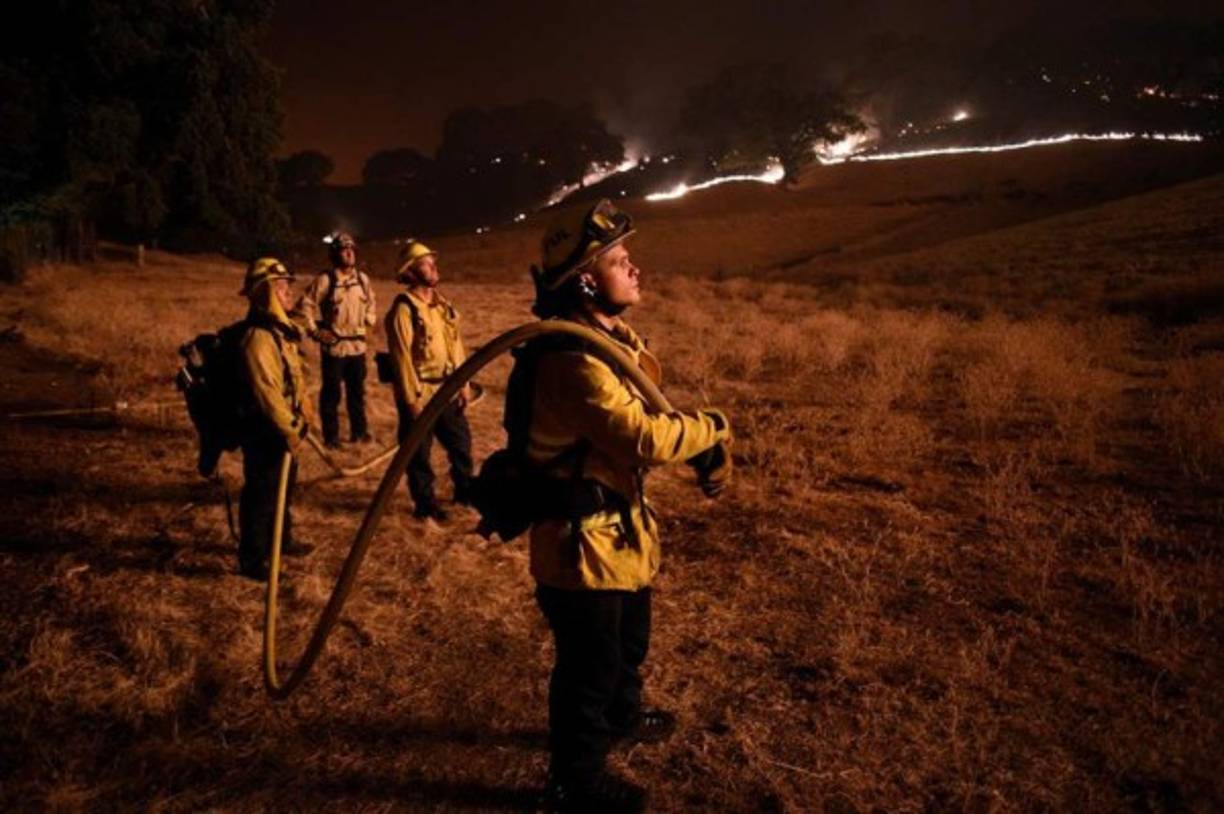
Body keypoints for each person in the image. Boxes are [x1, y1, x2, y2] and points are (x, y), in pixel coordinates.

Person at [522, 200, 733, 812]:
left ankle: (622, 719)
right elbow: (641, 437)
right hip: (579, 546)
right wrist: (714, 428)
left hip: (616, 535)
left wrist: (698, 441)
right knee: (589, 668)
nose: (634, 268)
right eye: (619, 259)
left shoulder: (609, 341)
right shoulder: (570, 359)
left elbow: (653, 412)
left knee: (627, 646)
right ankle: (574, 784)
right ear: (587, 278)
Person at [384, 239, 474, 521]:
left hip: (447, 389)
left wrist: (464, 384)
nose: (433, 266)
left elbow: (455, 346)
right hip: (422, 394)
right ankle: (425, 504)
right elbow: (401, 359)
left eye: (432, 261)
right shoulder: (404, 309)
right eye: (425, 262)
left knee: (461, 445)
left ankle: (465, 492)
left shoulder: (441, 306)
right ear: (410, 271)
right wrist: (411, 401)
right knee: (418, 455)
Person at [237, 258, 314, 581]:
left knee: (283, 487)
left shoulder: (278, 331)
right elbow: (267, 393)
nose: (288, 295)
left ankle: (282, 540)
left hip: (284, 429)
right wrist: (290, 429)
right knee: (262, 493)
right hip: (265, 431)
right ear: (265, 293)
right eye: (281, 289)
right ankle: (254, 561)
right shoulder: (258, 339)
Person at [294, 231, 377, 448]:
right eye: (344, 249)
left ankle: (359, 433)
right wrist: (314, 331)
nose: (349, 253)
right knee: (331, 395)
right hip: (335, 348)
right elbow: (305, 306)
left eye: (352, 249)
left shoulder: (362, 279)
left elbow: (371, 304)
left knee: (356, 394)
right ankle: (331, 439)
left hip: (357, 348)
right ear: (335, 254)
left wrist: (366, 321)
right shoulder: (326, 280)